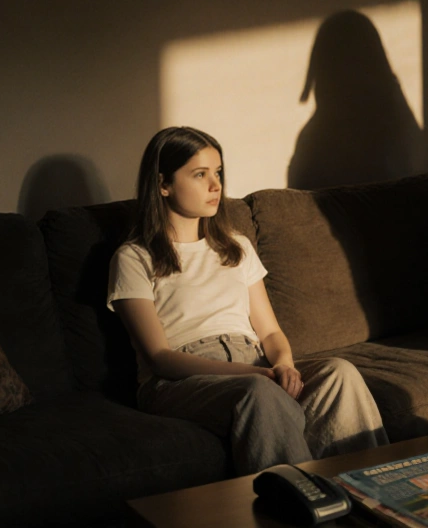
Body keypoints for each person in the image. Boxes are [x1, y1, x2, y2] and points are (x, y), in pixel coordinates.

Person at [107, 126, 388, 474]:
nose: (216, 185)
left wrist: (283, 366)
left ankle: (374, 490)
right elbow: (160, 359)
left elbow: (270, 333)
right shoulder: (134, 258)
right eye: (200, 174)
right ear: (163, 184)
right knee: (259, 391)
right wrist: (257, 375)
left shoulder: (236, 246)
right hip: (182, 380)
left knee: (338, 373)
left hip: (254, 362)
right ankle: (304, 498)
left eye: (218, 172)